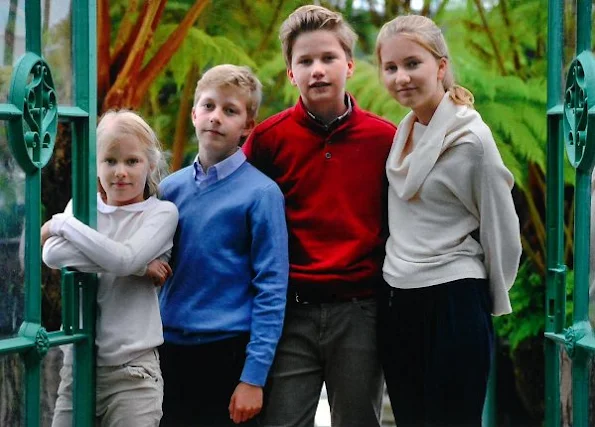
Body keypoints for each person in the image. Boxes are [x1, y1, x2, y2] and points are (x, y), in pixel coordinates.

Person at [242, 5, 396, 427]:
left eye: (328, 58)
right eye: (305, 61)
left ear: (348, 64)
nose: (318, 70)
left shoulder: (386, 139)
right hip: (290, 312)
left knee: (359, 420)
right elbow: (233, 203)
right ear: (291, 73)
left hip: (360, 310)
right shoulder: (268, 140)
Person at [375, 15, 522, 427]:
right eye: (391, 67)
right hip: (398, 298)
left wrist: (484, 298)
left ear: (440, 66)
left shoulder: (472, 140)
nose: (401, 77)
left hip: (455, 300)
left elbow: (502, 230)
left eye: (412, 64)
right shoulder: (402, 136)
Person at [158, 64, 289, 427]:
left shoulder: (262, 194)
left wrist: (253, 377)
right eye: (209, 106)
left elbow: (272, 289)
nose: (216, 117)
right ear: (195, 112)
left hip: (229, 355)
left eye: (230, 111)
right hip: (167, 351)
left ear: (247, 125)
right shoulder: (170, 189)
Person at [43, 110, 179, 427]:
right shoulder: (83, 207)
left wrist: (60, 223)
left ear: (151, 165)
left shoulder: (160, 213)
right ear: (96, 165)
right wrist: (138, 268)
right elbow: (51, 253)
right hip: (77, 368)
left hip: (131, 374)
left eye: (132, 161)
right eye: (110, 161)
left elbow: (123, 259)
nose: (120, 172)